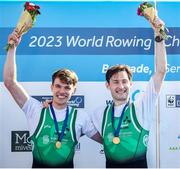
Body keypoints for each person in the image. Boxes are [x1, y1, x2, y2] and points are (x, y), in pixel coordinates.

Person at [3, 31, 102, 168]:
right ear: (51, 87)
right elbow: (9, 82)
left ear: (74, 91)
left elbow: (107, 142)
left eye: (67, 88)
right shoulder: (35, 109)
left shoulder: (80, 117)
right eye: (58, 86)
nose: (62, 91)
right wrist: (12, 48)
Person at [91, 17, 167, 168]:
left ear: (131, 84)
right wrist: (48, 105)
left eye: (124, 81)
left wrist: (158, 34)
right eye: (116, 82)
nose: (121, 86)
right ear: (108, 85)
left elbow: (161, 71)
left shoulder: (142, 106)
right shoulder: (98, 114)